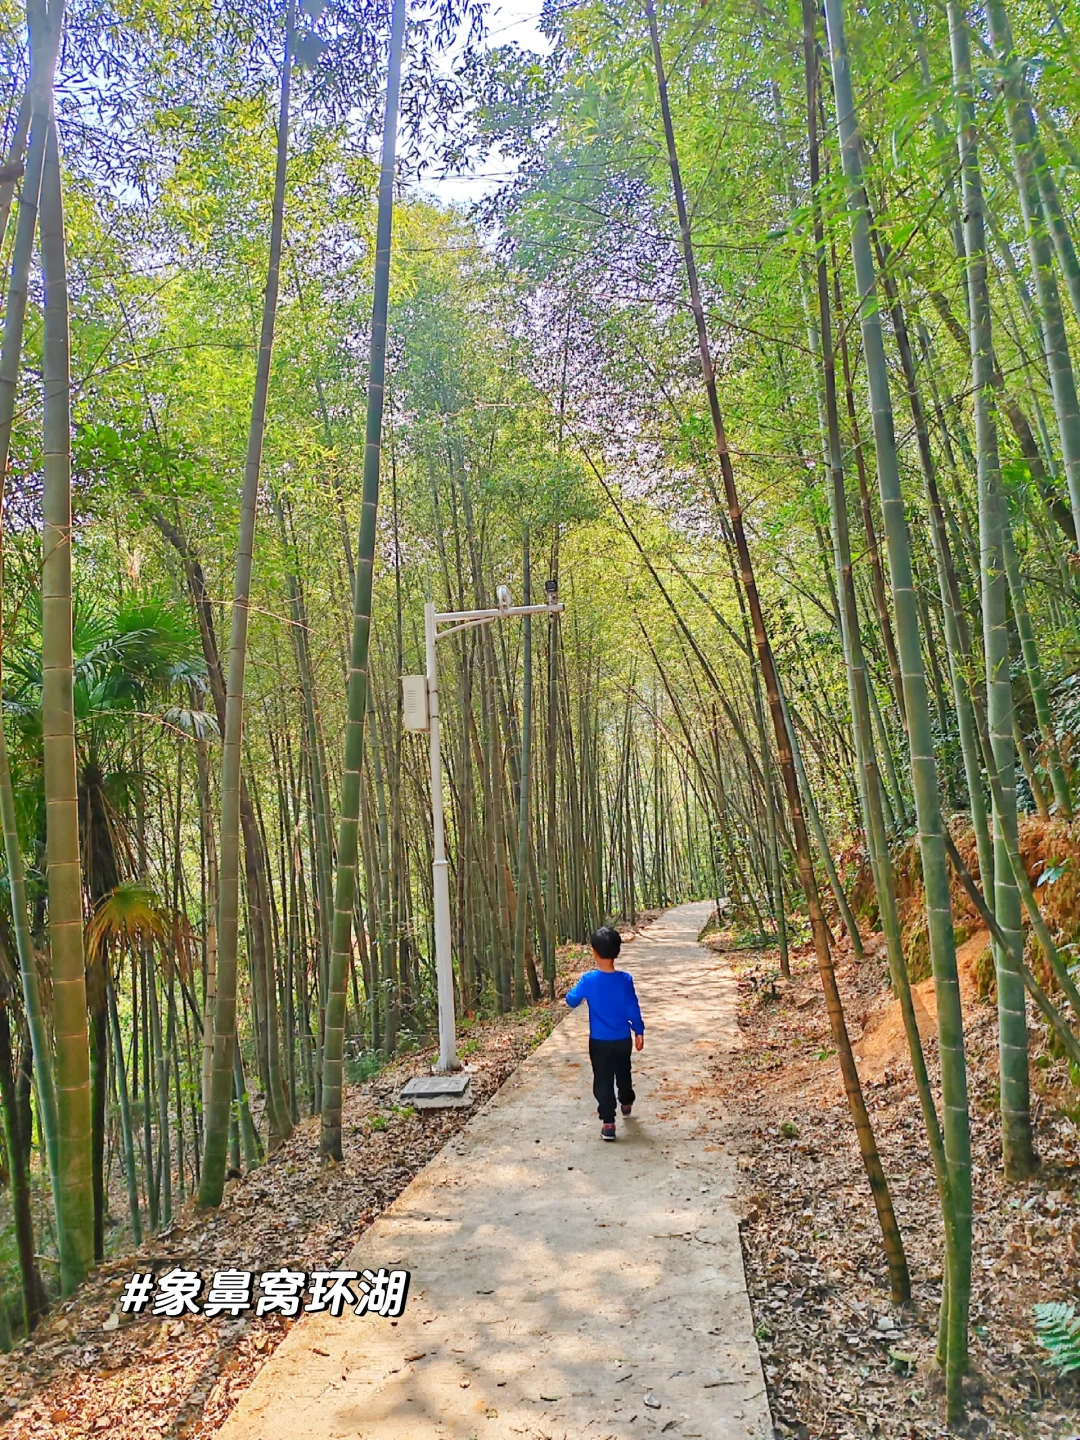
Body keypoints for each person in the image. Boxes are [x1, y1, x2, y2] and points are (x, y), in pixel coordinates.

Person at [565, 925, 644, 1141]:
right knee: (624, 1071)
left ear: (594, 952)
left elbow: (571, 1001)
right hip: (622, 1039)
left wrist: (574, 994)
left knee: (603, 1079)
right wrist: (639, 1030)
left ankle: (608, 1122)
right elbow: (632, 1007)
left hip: (599, 1041)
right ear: (618, 952)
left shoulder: (588, 980)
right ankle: (626, 1100)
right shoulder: (625, 979)